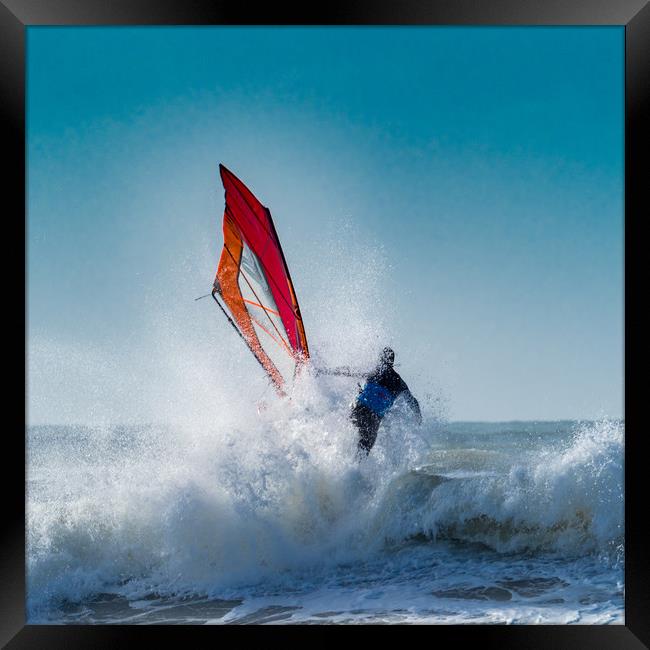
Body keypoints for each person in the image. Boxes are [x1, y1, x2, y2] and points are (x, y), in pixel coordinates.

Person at [317, 347, 422, 457]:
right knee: (363, 450)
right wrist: (418, 418)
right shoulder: (399, 382)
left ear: (381, 359)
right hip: (374, 419)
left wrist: (325, 371)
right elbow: (413, 402)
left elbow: (349, 372)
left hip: (360, 410)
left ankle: (331, 456)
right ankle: (351, 469)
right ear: (392, 362)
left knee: (347, 434)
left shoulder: (375, 372)